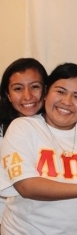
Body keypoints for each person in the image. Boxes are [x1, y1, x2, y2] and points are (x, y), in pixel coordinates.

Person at [0, 63, 77, 234]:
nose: (67, 101)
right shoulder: (22, 127)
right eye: (60, 92)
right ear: (46, 93)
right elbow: (26, 186)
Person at [0, 58, 48, 227]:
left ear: (46, 89)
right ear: (7, 94)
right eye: (18, 89)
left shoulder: (61, 126)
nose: (27, 96)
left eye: (35, 87)